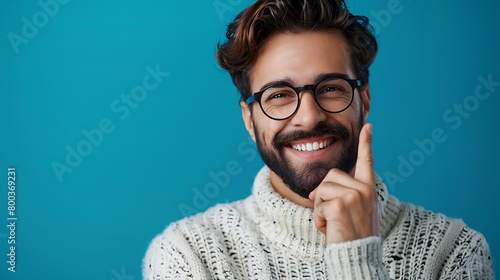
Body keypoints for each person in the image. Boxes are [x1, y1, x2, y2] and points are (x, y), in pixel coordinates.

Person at [143, 0, 493, 278]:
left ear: (364, 100)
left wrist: (357, 258)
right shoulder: (188, 253)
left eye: (330, 88)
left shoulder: (454, 252)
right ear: (249, 120)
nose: (309, 117)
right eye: (278, 94)